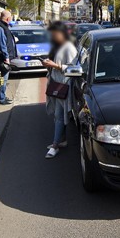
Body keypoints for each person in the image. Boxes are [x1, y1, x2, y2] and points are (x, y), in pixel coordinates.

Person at [42, 21, 77, 159]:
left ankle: (56, 145)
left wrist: (55, 66)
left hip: (63, 87)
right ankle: (61, 140)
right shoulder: (58, 47)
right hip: (57, 86)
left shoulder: (69, 48)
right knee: (58, 116)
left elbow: (75, 70)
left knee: (59, 116)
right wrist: (48, 65)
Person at [0, 10, 17, 104]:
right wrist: (6, 57)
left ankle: (1, 96)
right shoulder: (0, 27)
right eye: (11, 17)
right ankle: (1, 98)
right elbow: (2, 43)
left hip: (4, 57)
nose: (11, 18)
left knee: (3, 78)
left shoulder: (3, 26)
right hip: (2, 58)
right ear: (8, 18)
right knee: (3, 78)